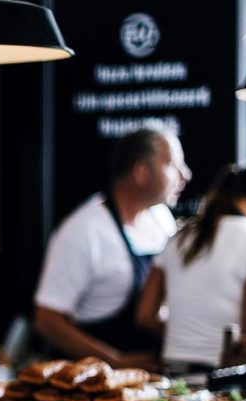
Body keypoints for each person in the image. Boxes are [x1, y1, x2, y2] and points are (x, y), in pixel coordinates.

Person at [33, 126, 191, 370]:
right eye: (173, 165)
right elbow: (47, 320)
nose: (185, 175)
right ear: (141, 172)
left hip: (151, 376)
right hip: (93, 383)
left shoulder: (160, 218)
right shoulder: (84, 231)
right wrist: (113, 361)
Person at [135, 158, 246, 371]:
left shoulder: (179, 237)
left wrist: (187, 335)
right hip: (225, 377)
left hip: (173, 372)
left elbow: (145, 316)